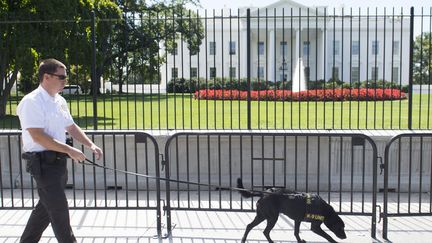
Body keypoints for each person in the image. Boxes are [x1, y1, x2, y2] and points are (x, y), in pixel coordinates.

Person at [17, 58, 103, 243]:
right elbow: (38, 136)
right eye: (62, 77)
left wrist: (90, 144)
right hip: (42, 164)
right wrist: (70, 150)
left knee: (44, 211)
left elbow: (71, 127)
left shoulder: (60, 100)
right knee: (59, 213)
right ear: (46, 77)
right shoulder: (31, 101)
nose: (65, 80)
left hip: (58, 164)